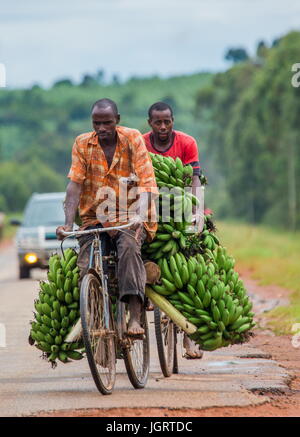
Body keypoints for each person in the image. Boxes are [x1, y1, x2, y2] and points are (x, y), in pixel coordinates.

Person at [56, 98, 158, 336]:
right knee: (86, 260)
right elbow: (74, 186)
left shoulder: (132, 139)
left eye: (107, 123)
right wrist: (68, 224)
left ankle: (134, 316)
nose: (101, 128)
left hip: (129, 215)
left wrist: (140, 218)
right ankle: (94, 310)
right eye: (96, 123)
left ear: (117, 120)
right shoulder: (82, 143)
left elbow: (147, 182)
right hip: (95, 218)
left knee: (129, 248)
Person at [144, 101, 204, 359]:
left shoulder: (187, 143)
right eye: (157, 122)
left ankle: (191, 337)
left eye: (167, 121)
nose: (163, 126)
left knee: (193, 267)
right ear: (150, 123)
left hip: (180, 208)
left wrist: (196, 210)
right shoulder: (140, 144)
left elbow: (195, 178)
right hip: (148, 207)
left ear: (173, 120)